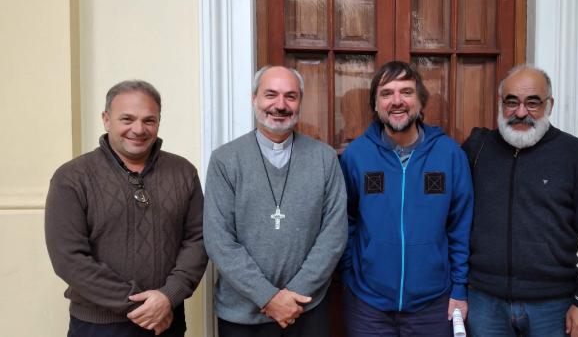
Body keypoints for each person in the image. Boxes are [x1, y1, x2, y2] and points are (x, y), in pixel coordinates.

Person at [45, 80, 208, 337]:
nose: (138, 129)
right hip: (98, 327)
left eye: (149, 120)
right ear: (106, 120)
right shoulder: (72, 177)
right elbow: (69, 259)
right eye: (127, 119)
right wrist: (142, 305)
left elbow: (198, 240)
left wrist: (168, 296)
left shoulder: (183, 172)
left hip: (166, 320)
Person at [461, 65, 578, 337]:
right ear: (500, 104)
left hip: (553, 306)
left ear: (550, 104)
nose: (521, 112)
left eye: (533, 102)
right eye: (512, 102)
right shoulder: (478, 150)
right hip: (485, 302)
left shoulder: (575, 154)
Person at [203, 65, 347, 337]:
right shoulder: (225, 159)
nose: (280, 105)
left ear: (300, 103)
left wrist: (295, 295)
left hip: (306, 308)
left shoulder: (324, 158)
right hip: (241, 315)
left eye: (290, 96)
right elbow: (218, 240)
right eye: (271, 95)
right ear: (254, 98)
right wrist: (268, 297)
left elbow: (334, 235)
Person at [339, 61, 474, 336]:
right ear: (376, 105)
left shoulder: (449, 155)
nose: (397, 101)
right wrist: (351, 273)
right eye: (386, 93)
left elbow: (460, 227)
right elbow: (344, 220)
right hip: (368, 306)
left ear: (420, 102)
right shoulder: (357, 155)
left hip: (433, 304)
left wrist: (460, 287)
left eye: (406, 92)